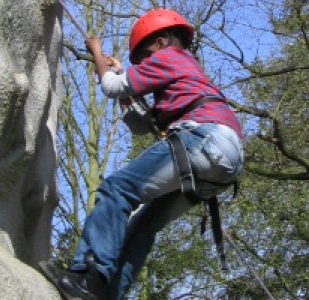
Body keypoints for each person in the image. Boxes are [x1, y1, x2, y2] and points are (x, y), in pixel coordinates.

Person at [44, 8, 244, 300]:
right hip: (220, 160)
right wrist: (126, 90)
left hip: (204, 139)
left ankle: (88, 278)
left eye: (145, 56)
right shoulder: (185, 75)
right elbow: (141, 126)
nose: (146, 63)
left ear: (161, 42)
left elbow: (111, 86)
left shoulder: (170, 57)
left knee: (117, 189)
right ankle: (106, 294)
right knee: (141, 226)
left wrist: (97, 54)